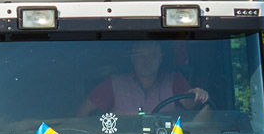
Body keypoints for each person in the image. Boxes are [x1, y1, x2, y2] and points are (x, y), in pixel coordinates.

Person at [78, 42, 208, 116]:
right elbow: (82, 113)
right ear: (132, 59)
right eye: (140, 55)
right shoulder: (113, 83)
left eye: (153, 55)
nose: (147, 61)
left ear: (160, 58)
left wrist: (197, 95)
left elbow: (191, 106)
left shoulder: (175, 80)